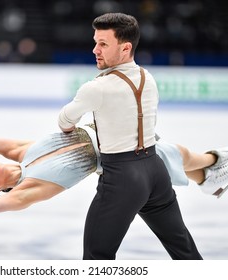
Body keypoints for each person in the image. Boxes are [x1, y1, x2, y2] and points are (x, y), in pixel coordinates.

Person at [0, 127, 228, 241]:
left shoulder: (18, 150)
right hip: (118, 159)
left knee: (176, 155)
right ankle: (213, 165)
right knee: (174, 153)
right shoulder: (26, 193)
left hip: (108, 129)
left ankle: (211, 171)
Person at [57, 13, 208, 260]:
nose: (95, 50)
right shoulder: (149, 78)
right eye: (95, 42)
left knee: (96, 257)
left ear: (126, 48)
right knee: (184, 251)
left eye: (104, 44)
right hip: (155, 171)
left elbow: (64, 121)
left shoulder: (96, 88)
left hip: (122, 178)